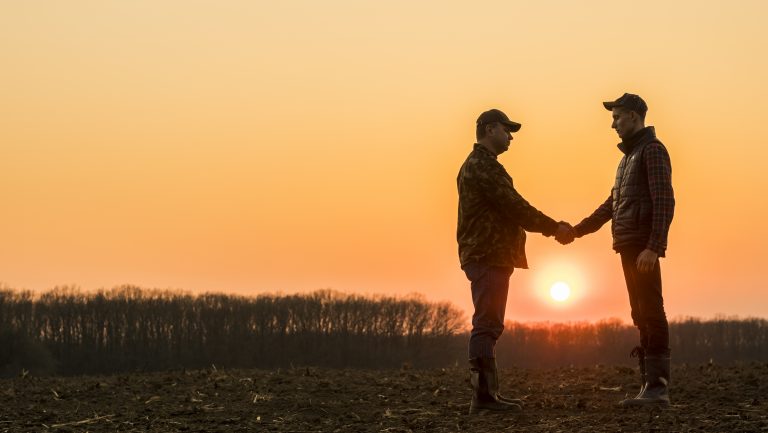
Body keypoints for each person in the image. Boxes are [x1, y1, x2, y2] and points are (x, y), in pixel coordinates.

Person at [457, 108, 573, 414]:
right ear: (490, 129)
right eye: (507, 131)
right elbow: (515, 206)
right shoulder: (483, 167)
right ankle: (483, 398)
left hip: (488, 254)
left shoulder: (480, 166)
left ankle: (488, 395)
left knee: (490, 322)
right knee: (487, 323)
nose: (511, 137)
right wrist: (553, 227)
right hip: (488, 254)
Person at [564, 93, 675, 407]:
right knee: (640, 313)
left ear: (634, 116)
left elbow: (665, 200)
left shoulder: (652, 151)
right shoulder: (627, 159)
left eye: (617, 117)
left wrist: (654, 247)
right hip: (628, 244)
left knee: (652, 311)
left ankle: (658, 387)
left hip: (642, 245)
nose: (612, 124)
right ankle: (648, 386)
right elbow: (611, 204)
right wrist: (577, 230)